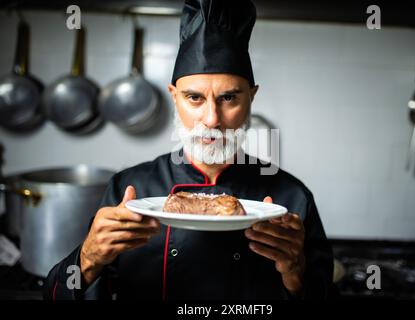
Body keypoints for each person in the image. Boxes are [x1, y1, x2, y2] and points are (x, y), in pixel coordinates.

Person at [44, 0, 334, 300]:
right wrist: (88, 258)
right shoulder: (131, 190)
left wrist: (297, 275)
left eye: (229, 98)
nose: (211, 119)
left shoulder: (291, 198)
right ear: (174, 97)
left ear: (252, 97)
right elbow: (55, 296)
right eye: (194, 98)